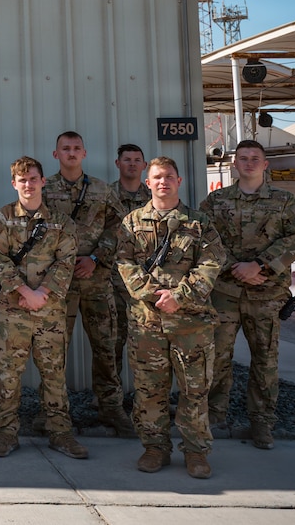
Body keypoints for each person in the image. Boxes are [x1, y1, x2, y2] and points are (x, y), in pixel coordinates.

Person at [115, 156, 223, 480]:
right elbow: (124, 264)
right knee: (149, 390)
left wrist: (179, 296)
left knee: (194, 390)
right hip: (147, 323)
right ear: (148, 183)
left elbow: (212, 263)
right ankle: (154, 448)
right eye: (157, 177)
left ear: (179, 181)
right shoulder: (131, 223)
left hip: (191, 325)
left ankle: (196, 452)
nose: (163, 182)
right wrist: (154, 295)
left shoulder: (199, 223)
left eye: (169, 176)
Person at [200, 139, 295, 449]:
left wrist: (260, 265)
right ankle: (213, 414)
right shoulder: (215, 201)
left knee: (265, 360)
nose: (248, 163)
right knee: (218, 356)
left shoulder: (284, 201)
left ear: (265, 165)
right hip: (226, 291)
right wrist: (237, 267)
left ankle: (261, 422)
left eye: (254, 158)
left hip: (267, 293)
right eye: (243, 158)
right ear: (235, 164)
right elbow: (204, 239)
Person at [0, 156, 88, 460]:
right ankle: (6, 433)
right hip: (14, 311)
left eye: (33, 178)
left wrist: (43, 292)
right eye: (22, 179)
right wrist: (23, 291)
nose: (28, 184)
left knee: (54, 373)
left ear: (43, 181)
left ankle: (60, 432)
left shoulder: (61, 222)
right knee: (9, 374)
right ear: (13, 184)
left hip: (49, 309)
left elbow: (66, 261)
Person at [43, 131, 129, 434]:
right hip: (58, 283)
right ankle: (53, 413)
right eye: (65, 148)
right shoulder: (44, 189)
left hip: (96, 278)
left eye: (76, 148)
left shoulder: (102, 190)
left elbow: (120, 226)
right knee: (53, 350)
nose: (71, 153)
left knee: (106, 347)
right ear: (56, 155)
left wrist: (95, 258)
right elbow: (35, 231)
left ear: (84, 153)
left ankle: (110, 409)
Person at [110, 144, 151, 385]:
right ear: (118, 163)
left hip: (146, 283)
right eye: (127, 159)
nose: (132, 164)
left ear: (144, 166)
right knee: (111, 342)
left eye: (137, 159)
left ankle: (147, 399)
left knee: (147, 343)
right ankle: (109, 401)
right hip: (111, 281)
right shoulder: (105, 196)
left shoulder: (154, 198)